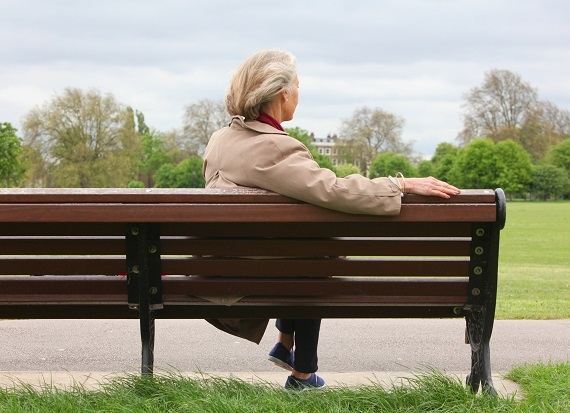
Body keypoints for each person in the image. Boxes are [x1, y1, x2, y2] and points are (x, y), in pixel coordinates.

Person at [203, 49, 460, 389]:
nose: (299, 93)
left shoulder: (220, 140)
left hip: (218, 273)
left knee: (306, 254)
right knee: (319, 258)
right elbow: (335, 190)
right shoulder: (275, 148)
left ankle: (287, 344)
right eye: (298, 85)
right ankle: (302, 373)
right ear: (282, 93)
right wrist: (399, 183)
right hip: (251, 282)